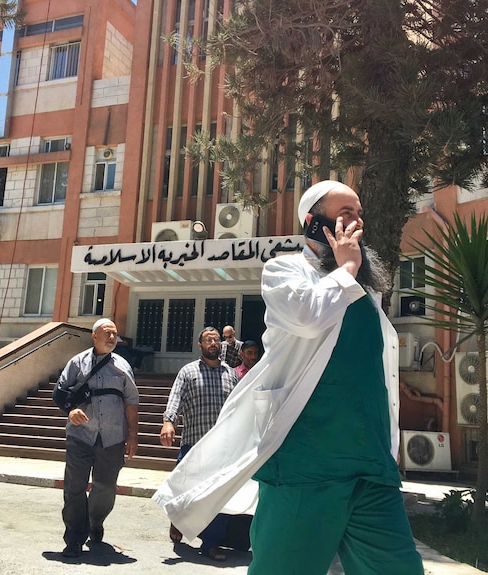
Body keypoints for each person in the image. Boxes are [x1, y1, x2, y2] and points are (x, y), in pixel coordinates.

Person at [153, 180, 423, 575]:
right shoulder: (284, 271)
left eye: (360, 216)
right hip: (305, 463)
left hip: (372, 466)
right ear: (315, 224)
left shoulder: (366, 291)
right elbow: (307, 317)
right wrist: (346, 267)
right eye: (347, 215)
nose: (358, 225)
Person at [59, 318, 139, 558]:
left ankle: (95, 522)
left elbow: (131, 401)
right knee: (74, 488)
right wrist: (70, 411)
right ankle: (74, 538)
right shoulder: (77, 363)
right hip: (80, 436)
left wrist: (133, 435)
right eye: (107, 333)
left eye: (115, 334)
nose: (112, 338)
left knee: (105, 488)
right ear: (94, 336)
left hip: (112, 438)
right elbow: (61, 392)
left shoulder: (123, 366)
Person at [159, 327, 239, 561]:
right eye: (208, 340)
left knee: (218, 496)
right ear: (200, 345)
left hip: (222, 449)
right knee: (181, 489)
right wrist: (168, 422)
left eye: (216, 340)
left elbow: (238, 407)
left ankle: (212, 544)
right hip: (193, 444)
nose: (213, 342)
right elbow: (175, 399)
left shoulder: (231, 374)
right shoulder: (188, 372)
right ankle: (177, 519)